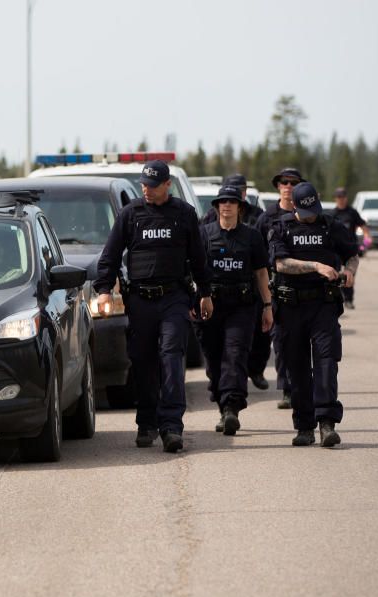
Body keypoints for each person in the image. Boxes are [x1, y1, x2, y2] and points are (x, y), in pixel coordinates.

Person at [94, 159, 213, 453]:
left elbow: (199, 259)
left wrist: (205, 293)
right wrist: (104, 290)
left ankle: (172, 427)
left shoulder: (184, 214)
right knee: (143, 362)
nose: (146, 190)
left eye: (152, 186)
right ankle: (147, 422)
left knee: (171, 357)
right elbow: (109, 256)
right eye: (144, 185)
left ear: (167, 185)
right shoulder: (130, 214)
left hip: (174, 297)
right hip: (140, 301)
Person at [270, 181, 359, 447]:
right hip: (291, 307)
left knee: (326, 364)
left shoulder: (330, 225)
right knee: (297, 369)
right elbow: (280, 263)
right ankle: (304, 427)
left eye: (315, 210)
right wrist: (316, 266)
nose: (312, 216)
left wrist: (351, 270)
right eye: (306, 211)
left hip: (323, 305)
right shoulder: (281, 228)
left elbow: (352, 253)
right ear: (295, 206)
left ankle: (327, 423)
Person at [195, 185, 273, 435]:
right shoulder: (204, 234)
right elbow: (192, 271)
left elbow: (261, 272)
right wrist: (192, 301)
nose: (226, 205)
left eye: (231, 201)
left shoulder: (251, 237)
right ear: (217, 207)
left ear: (240, 207)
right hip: (210, 306)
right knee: (214, 359)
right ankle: (222, 403)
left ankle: (231, 408)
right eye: (222, 202)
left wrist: (268, 306)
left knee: (236, 354)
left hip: (242, 306)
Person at [253, 167, 304, 408]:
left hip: (302, 285)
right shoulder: (266, 218)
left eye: (293, 183)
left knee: (301, 340)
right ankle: (287, 388)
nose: (288, 186)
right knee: (280, 340)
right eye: (284, 182)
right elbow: (255, 252)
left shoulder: (306, 214)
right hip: (274, 286)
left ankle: (302, 384)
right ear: (278, 187)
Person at [329, 187, 370, 309]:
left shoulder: (352, 212)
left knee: (349, 275)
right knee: (336, 275)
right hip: (336, 250)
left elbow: (363, 226)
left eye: (343, 197)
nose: (341, 200)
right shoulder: (332, 214)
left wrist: (367, 240)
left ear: (346, 198)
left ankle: (349, 300)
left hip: (349, 250)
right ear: (335, 199)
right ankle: (338, 298)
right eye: (339, 197)